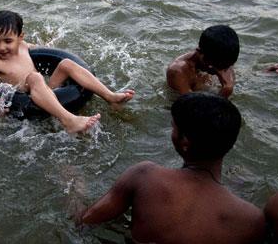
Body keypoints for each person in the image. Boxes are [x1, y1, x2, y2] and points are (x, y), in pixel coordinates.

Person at [79, 92, 265, 243]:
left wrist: (75, 187)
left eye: (173, 127)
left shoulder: (145, 176)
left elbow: (87, 221)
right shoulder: (251, 220)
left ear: (184, 141)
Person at [0, 10, 134, 133]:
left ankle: (109, 96)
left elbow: (45, 50)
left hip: (45, 91)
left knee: (66, 64)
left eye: (8, 41)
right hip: (28, 96)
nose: (1, 47)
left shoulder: (24, 47)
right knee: (34, 77)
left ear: (20, 37)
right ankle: (68, 119)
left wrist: (53, 45)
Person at [166, 25, 240, 98]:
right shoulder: (177, 72)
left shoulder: (224, 60)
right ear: (199, 52)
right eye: (216, 66)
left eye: (225, 67)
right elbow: (190, 106)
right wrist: (226, 91)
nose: (220, 70)